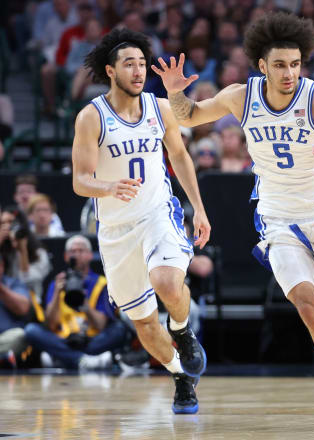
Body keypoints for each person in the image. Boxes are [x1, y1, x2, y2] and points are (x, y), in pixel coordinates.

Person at [151, 12, 314, 428]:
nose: (289, 73)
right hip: (277, 217)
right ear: (262, 66)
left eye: (295, 64)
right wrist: (174, 92)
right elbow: (188, 116)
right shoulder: (241, 96)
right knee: (309, 308)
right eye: (280, 65)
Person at [71, 28, 211, 414]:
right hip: (116, 231)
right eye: (128, 64)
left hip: (156, 214)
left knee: (166, 280)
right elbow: (79, 181)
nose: (138, 71)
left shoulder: (159, 107)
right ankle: (180, 377)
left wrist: (197, 207)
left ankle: (183, 332)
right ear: (111, 71)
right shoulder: (91, 117)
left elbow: (180, 157)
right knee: (146, 324)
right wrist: (108, 186)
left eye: (142, 64)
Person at [24, 235, 128, 370]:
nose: (77, 254)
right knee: (31, 331)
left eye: (81, 250)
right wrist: (56, 293)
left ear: (90, 255)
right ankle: (84, 360)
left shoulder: (102, 284)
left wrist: (83, 303)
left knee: (119, 329)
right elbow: (51, 324)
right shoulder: (57, 283)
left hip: (91, 338)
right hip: (64, 337)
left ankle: (64, 358)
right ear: (66, 256)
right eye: (73, 251)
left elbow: (101, 325)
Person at [0, 253, 32, 363]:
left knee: (21, 335)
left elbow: (23, 308)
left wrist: (2, 289)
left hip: (5, 338)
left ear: (2, 266)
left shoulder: (13, 284)